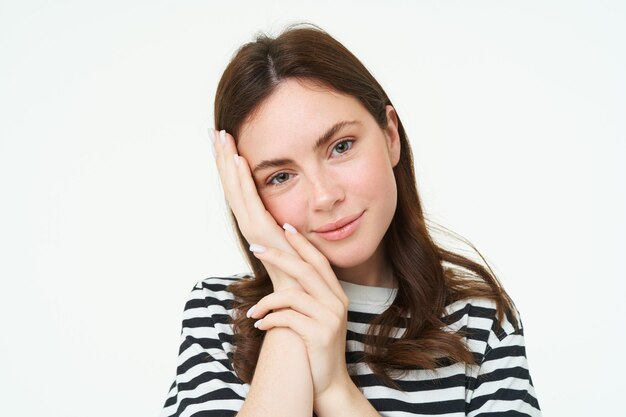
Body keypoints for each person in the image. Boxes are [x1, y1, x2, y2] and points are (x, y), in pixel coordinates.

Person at [160, 24, 541, 417]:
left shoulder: (479, 322)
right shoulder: (221, 317)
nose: (325, 196)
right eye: (280, 177)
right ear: (246, 195)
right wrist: (291, 292)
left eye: (340, 147)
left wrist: (334, 388)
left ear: (390, 134)